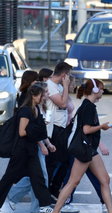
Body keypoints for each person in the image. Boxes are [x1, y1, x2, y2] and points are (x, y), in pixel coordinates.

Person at [48, 79, 112, 213]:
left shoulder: (89, 106)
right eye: (101, 88)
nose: (103, 91)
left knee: (105, 180)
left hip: (89, 149)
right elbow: (86, 130)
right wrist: (102, 127)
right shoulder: (88, 107)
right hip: (83, 149)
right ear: (94, 90)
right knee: (73, 181)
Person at [0, 84, 54, 213]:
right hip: (21, 151)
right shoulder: (25, 111)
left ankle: (44, 205)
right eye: (42, 95)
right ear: (34, 95)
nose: (43, 97)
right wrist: (37, 129)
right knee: (8, 179)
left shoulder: (35, 108)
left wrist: (45, 141)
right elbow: (22, 132)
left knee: (38, 177)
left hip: (30, 150)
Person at [45, 62, 72, 201]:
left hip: (62, 127)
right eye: (68, 75)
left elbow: (69, 104)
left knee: (64, 161)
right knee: (53, 162)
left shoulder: (59, 86)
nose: (69, 78)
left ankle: (53, 189)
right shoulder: (50, 86)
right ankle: (49, 190)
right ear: (63, 75)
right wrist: (66, 87)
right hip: (53, 128)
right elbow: (62, 103)